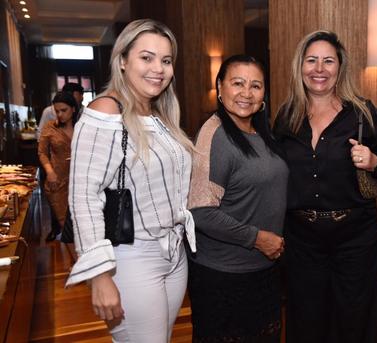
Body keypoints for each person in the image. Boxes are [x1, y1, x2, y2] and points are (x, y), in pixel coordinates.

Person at [65, 19, 195, 342]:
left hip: (174, 254)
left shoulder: (160, 115)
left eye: (166, 61)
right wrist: (99, 276)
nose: (158, 69)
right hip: (133, 259)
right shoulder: (106, 110)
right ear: (122, 60)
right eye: (146, 58)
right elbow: (83, 196)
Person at [273, 30, 377, 343]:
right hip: (302, 241)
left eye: (328, 61)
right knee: (306, 322)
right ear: (300, 66)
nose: (319, 69)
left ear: (340, 67)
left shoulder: (361, 112)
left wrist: (373, 161)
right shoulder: (285, 116)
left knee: (353, 323)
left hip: (355, 239)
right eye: (312, 60)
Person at [187, 54, 288, 343]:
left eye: (256, 85)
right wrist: (258, 239)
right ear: (220, 88)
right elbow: (201, 211)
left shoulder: (261, 131)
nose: (247, 93)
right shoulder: (215, 134)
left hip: (264, 271)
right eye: (237, 83)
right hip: (225, 276)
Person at [38, 91, 78, 241]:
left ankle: (80, 261)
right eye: (57, 111)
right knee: (64, 225)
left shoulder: (82, 126)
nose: (60, 114)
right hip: (57, 182)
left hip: (78, 181)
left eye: (64, 110)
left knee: (80, 225)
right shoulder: (50, 127)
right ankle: (72, 260)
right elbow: (42, 152)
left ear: (73, 109)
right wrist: (49, 172)